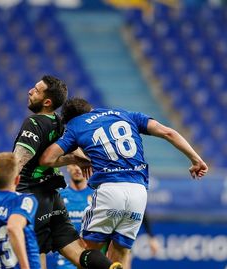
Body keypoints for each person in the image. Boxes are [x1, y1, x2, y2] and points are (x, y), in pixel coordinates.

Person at [40, 97, 208, 269]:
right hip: (139, 192)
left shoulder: (76, 126)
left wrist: (76, 158)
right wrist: (196, 160)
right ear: (90, 110)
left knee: (86, 255)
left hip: (110, 189)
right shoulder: (125, 114)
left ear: (69, 120)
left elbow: (47, 159)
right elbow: (168, 133)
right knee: (120, 253)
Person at [12, 76, 123, 269]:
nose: (30, 91)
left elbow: (19, 160)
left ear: (47, 102)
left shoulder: (34, 123)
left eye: (37, 90)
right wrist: (81, 159)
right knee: (78, 253)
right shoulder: (58, 123)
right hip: (53, 198)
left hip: (31, 197)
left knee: (35, 255)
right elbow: (76, 152)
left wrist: (6, 191)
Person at [53, 164, 94, 269]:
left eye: (80, 165)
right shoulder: (59, 195)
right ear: (67, 167)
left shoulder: (97, 196)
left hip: (90, 260)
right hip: (64, 262)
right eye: (74, 164)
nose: (77, 168)